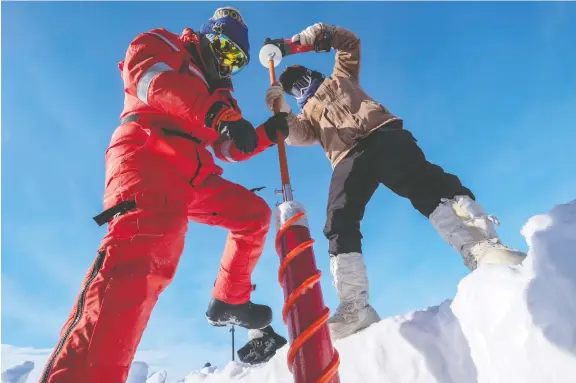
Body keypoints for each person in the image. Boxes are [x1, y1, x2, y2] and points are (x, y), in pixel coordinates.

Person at [39, 7, 289, 382]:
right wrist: (217, 112)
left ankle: (230, 299)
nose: (225, 61)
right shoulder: (163, 44)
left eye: (236, 59)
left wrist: (266, 132)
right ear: (206, 35)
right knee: (151, 242)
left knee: (253, 215)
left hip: (194, 173)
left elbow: (227, 148)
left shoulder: (221, 94)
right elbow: (149, 81)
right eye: (223, 46)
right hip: (147, 152)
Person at [264, 22, 527, 341]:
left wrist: (314, 38)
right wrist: (282, 114)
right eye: (295, 88)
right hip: (346, 157)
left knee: (424, 183)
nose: (303, 87)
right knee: (339, 218)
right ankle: (355, 306)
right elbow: (298, 135)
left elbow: (350, 43)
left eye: (302, 78)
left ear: (313, 73)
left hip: (382, 134)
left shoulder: (340, 77)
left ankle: (482, 248)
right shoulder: (308, 117)